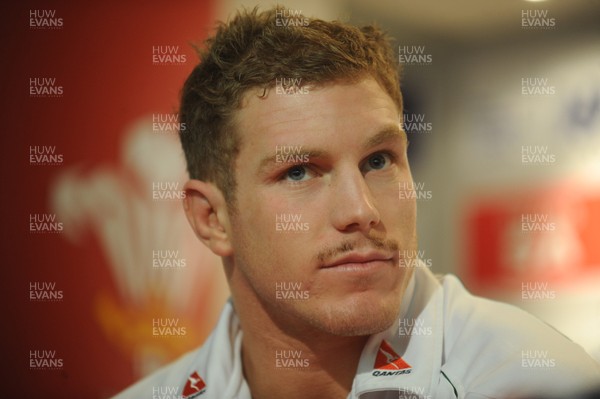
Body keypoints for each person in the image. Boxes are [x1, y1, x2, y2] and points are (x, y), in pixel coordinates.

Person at [114, 7, 600, 399]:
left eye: (378, 161)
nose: (361, 210)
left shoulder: (534, 380)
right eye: (299, 171)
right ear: (211, 218)